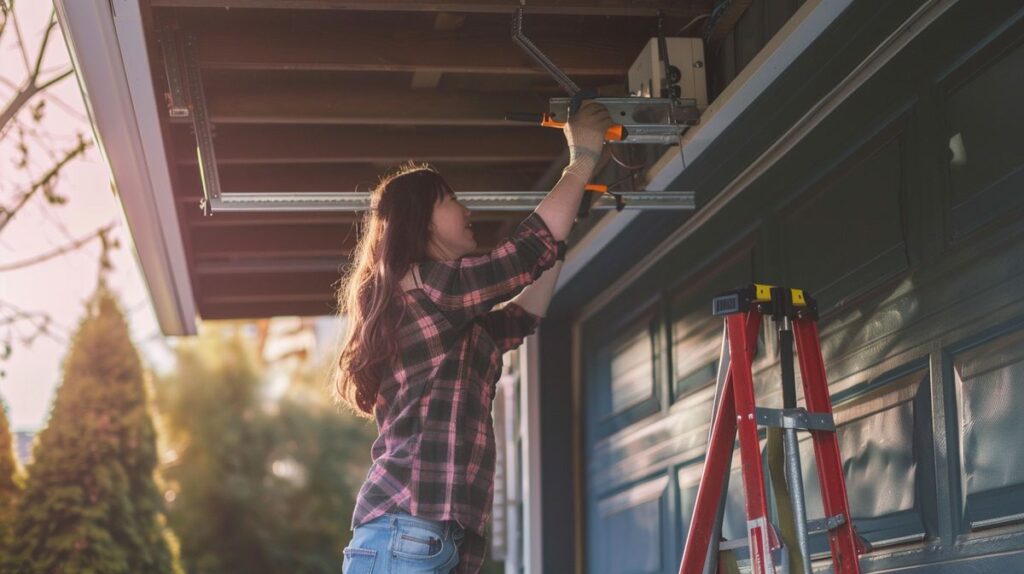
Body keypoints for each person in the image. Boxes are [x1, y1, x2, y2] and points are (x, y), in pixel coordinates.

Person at [334, 101, 613, 574]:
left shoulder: (452, 318)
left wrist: (563, 231)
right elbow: (525, 255)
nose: (468, 210)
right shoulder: (427, 285)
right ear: (422, 219)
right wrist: (581, 157)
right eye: (452, 200)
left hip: (432, 539)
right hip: (407, 534)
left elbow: (522, 315)